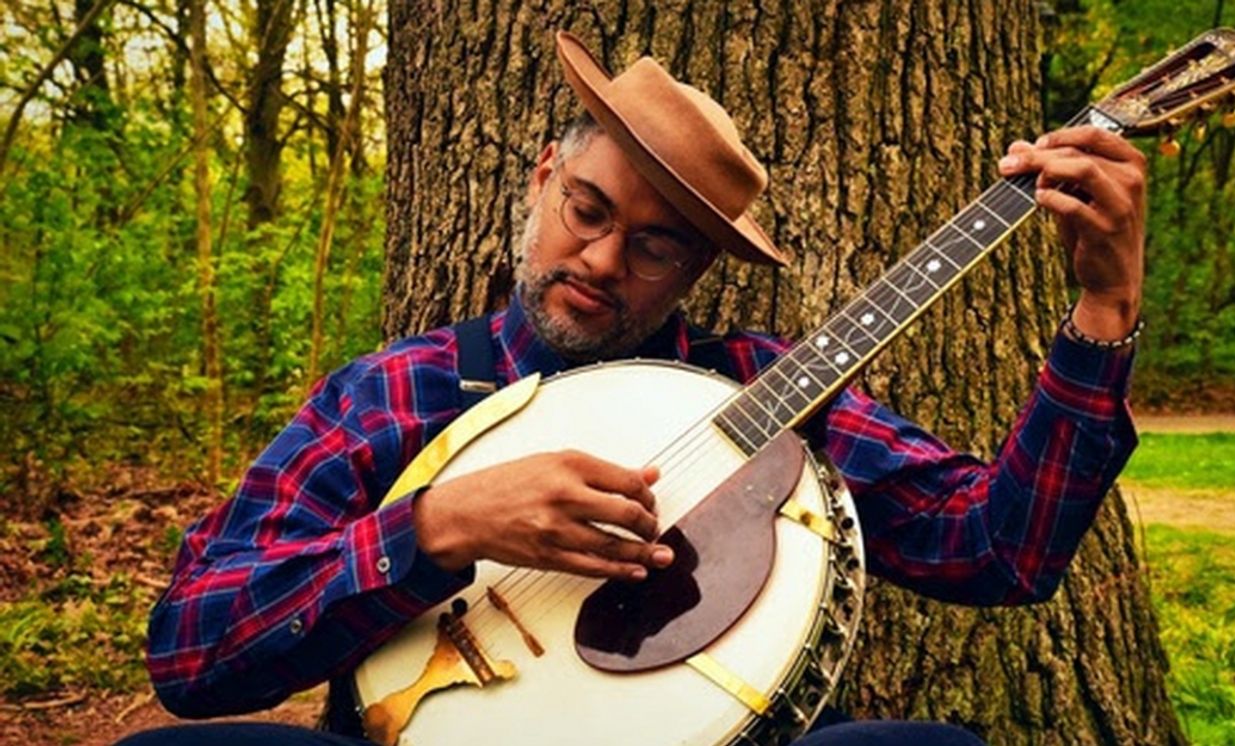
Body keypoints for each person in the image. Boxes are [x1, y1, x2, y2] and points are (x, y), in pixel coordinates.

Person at [124, 30, 1147, 746]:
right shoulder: (394, 392)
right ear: (539, 181)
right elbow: (191, 649)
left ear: (698, 270)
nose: (603, 260)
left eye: (655, 246)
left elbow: (1000, 548)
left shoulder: (767, 392)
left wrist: (1102, 311)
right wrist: (434, 526)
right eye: (585, 209)